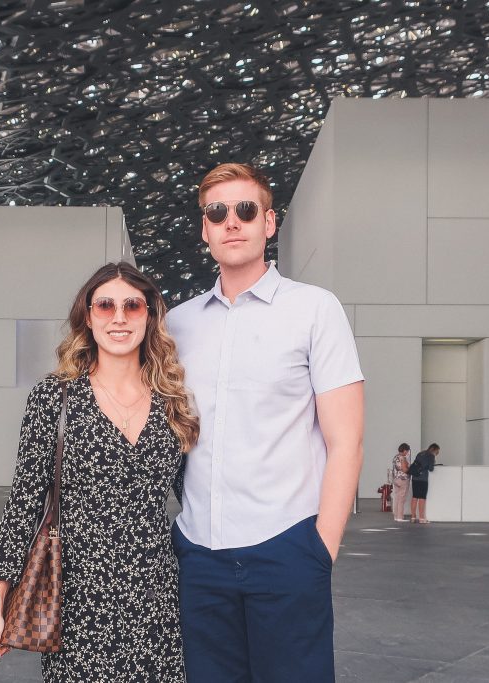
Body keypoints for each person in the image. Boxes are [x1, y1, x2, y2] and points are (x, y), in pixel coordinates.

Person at [166, 162, 365, 682]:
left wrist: (321, 547)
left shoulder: (315, 310)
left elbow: (347, 440)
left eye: (245, 209)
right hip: (199, 557)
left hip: (288, 550)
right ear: (204, 228)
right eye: (218, 212)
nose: (232, 221)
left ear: (269, 223)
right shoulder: (177, 324)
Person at [0, 261, 199, 682]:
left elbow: (198, 497)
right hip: (78, 602)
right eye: (105, 306)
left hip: (156, 602)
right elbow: (23, 505)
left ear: (149, 317)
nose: (119, 317)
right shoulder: (53, 400)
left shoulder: (172, 403)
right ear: (88, 317)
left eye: (133, 306)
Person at [409, 443, 439, 524]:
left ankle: (413, 517)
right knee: (422, 498)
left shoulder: (420, 453)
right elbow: (431, 469)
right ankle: (422, 518)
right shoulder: (431, 456)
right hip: (423, 479)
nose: (437, 453)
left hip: (415, 478)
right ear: (434, 449)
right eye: (437, 451)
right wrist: (433, 462)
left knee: (414, 497)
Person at [391, 443, 412, 522]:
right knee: (401, 499)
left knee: (396, 497)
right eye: (407, 451)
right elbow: (404, 469)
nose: (407, 453)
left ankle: (396, 516)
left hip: (396, 479)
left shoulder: (395, 457)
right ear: (405, 450)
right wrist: (410, 470)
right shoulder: (403, 458)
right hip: (403, 479)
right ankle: (400, 517)